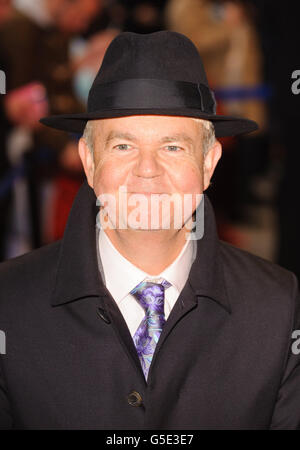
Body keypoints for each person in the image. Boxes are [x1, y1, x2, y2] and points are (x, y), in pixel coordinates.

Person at [0, 31, 299, 430]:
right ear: (88, 161)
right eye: (123, 146)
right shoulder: (9, 302)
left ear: (209, 163)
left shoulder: (277, 307)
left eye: (172, 147)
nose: (147, 169)